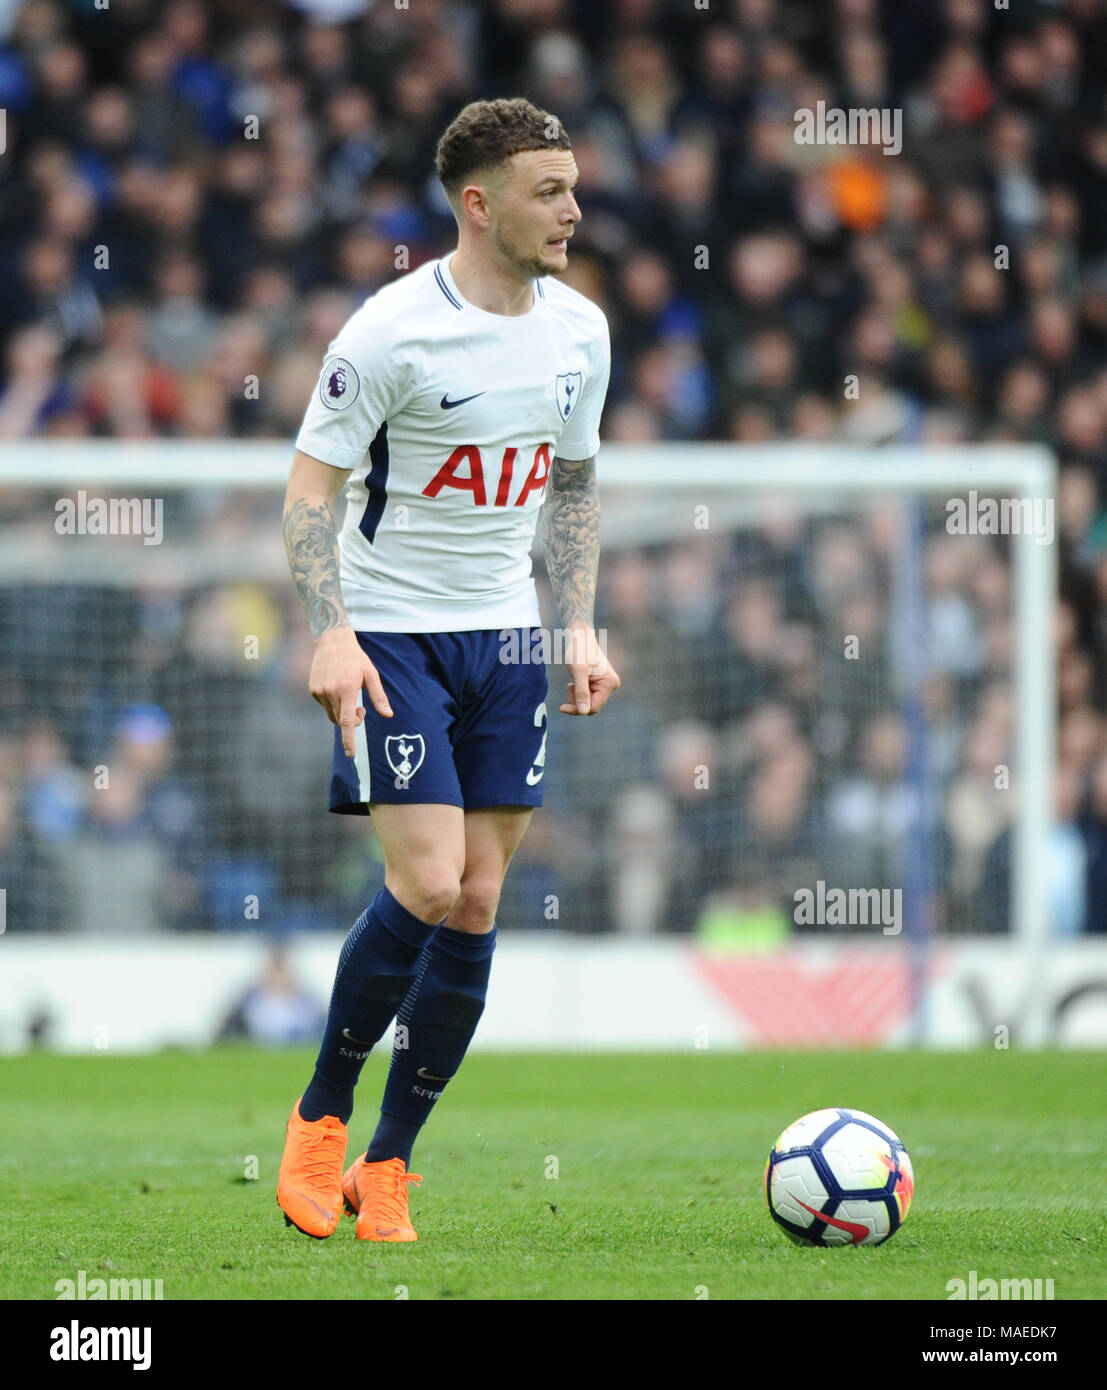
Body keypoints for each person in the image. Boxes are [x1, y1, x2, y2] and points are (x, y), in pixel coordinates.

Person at [276, 97, 619, 1243]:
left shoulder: (580, 333)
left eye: (573, 186)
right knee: (427, 880)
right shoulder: (386, 333)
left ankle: (392, 1163)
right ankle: (321, 1117)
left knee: (476, 896)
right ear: (478, 204)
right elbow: (307, 495)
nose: (573, 208)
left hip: (507, 636)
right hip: (389, 632)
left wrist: (575, 622)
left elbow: (571, 489)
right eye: (550, 190)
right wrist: (328, 629)